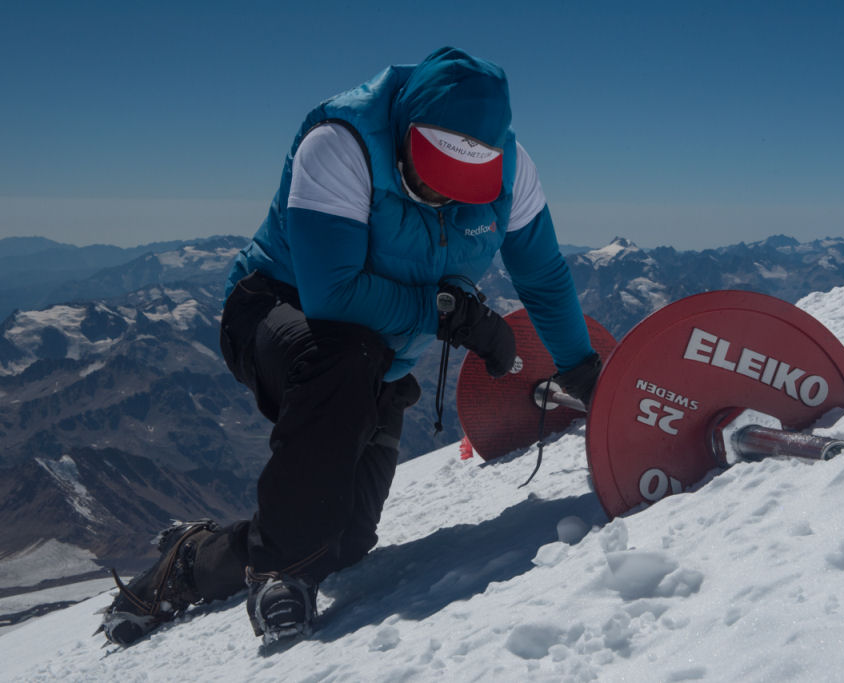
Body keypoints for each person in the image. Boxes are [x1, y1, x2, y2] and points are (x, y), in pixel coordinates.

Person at [99, 46, 602, 646]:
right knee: (340, 362)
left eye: (460, 188)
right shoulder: (341, 142)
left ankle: (191, 559)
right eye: (430, 178)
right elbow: (332, 296)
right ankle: (281, 575)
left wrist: (584, 371)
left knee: (341, 536)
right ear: (405, 134)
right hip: (276, 313)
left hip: (381, 355)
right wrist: (448, 315)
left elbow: (543, 277)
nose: (441, 198)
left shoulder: (511, 170)